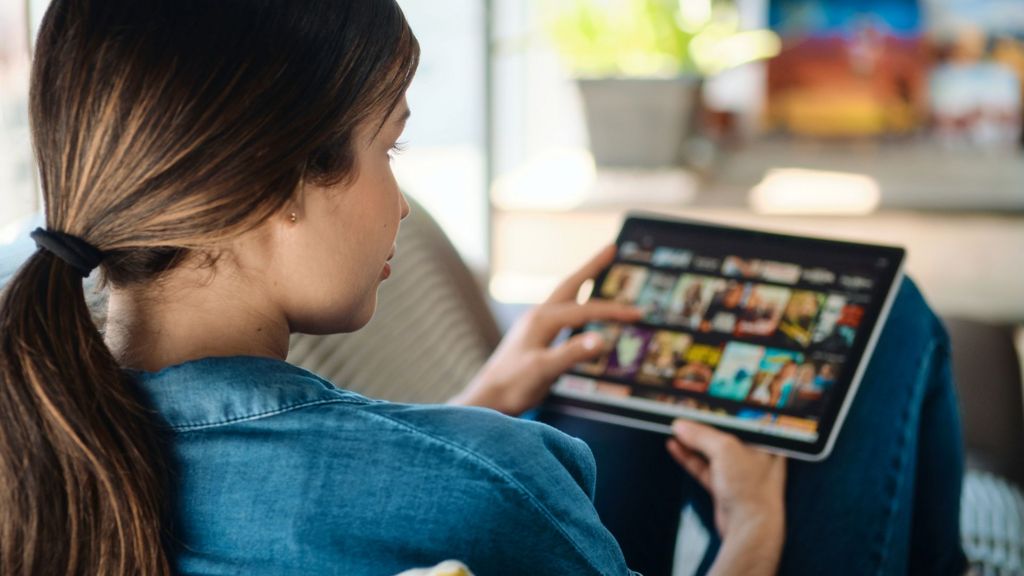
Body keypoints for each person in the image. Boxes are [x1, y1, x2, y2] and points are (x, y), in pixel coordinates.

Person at [0, 1, 966, 575]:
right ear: (276, 187)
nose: (401, 204)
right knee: (895, 325)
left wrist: (488, 392)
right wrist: (753, 531)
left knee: (618, 368)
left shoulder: (38, 435)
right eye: (391, 144)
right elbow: (423, 496)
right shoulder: (486, 480)